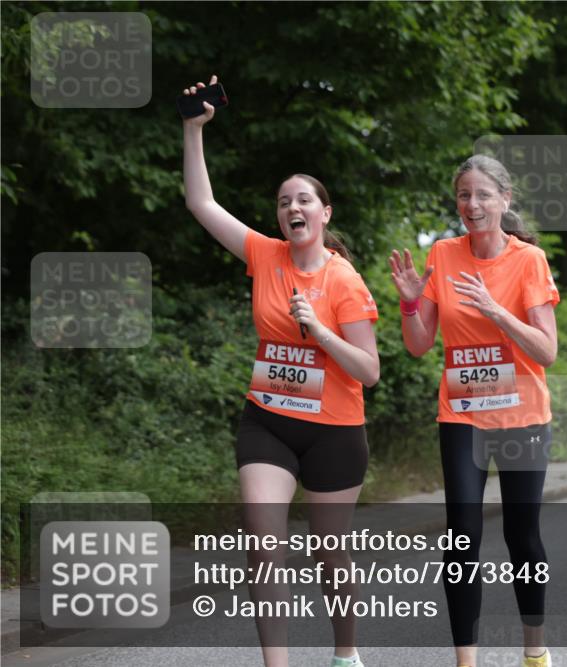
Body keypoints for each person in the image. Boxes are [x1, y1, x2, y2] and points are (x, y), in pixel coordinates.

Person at [183, 75, 379, 667]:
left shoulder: (344, 281)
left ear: (324, 213)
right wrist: (193, 130)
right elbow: (200, 203)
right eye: (283, 201)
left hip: (334, 431)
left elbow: (368, 370)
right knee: (264, 546)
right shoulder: (265, 255)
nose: (292, 207)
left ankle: (345, 654)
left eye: (303, 200)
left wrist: (319, 332)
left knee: (331, 557)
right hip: (268, 419)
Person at [389, 154, 559, 667]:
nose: (473, 204)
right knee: (461, 537)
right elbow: (420, 345)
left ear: (505, 201)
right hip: (462, 416)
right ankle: (467, 661)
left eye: (484, 194)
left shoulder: (528, 261)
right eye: (464, 195)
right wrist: (411, 303)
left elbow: (547, 350)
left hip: (522, 418)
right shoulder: (443, 254)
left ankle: (535, 652)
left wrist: (494, 310)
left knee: (520, 535)